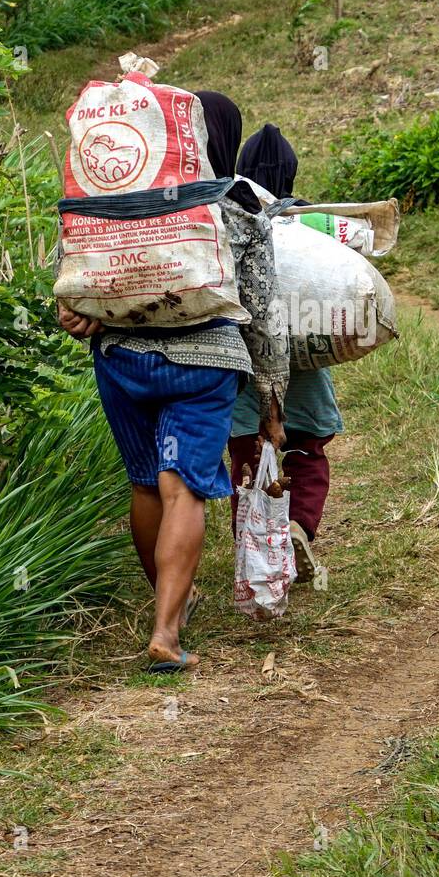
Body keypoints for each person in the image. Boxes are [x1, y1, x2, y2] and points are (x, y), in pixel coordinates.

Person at [58, 91, 288, 672]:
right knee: (181, 486)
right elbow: (263, 309)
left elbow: (77, 281)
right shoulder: (237, 204)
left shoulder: (117, 201)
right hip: (205, 359)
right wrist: (271, 400)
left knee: (143, 485)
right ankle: (165, 629)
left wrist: (77, 316)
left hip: (122, 359)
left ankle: (173, 604)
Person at [228, 122, 342, 584]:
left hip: (245, 369)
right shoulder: (314, 223)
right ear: (292, 175)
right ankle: (298, 526)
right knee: (308, 456)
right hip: (305, 373)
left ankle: (254, 546)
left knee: (248, 462)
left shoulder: (230, 213)